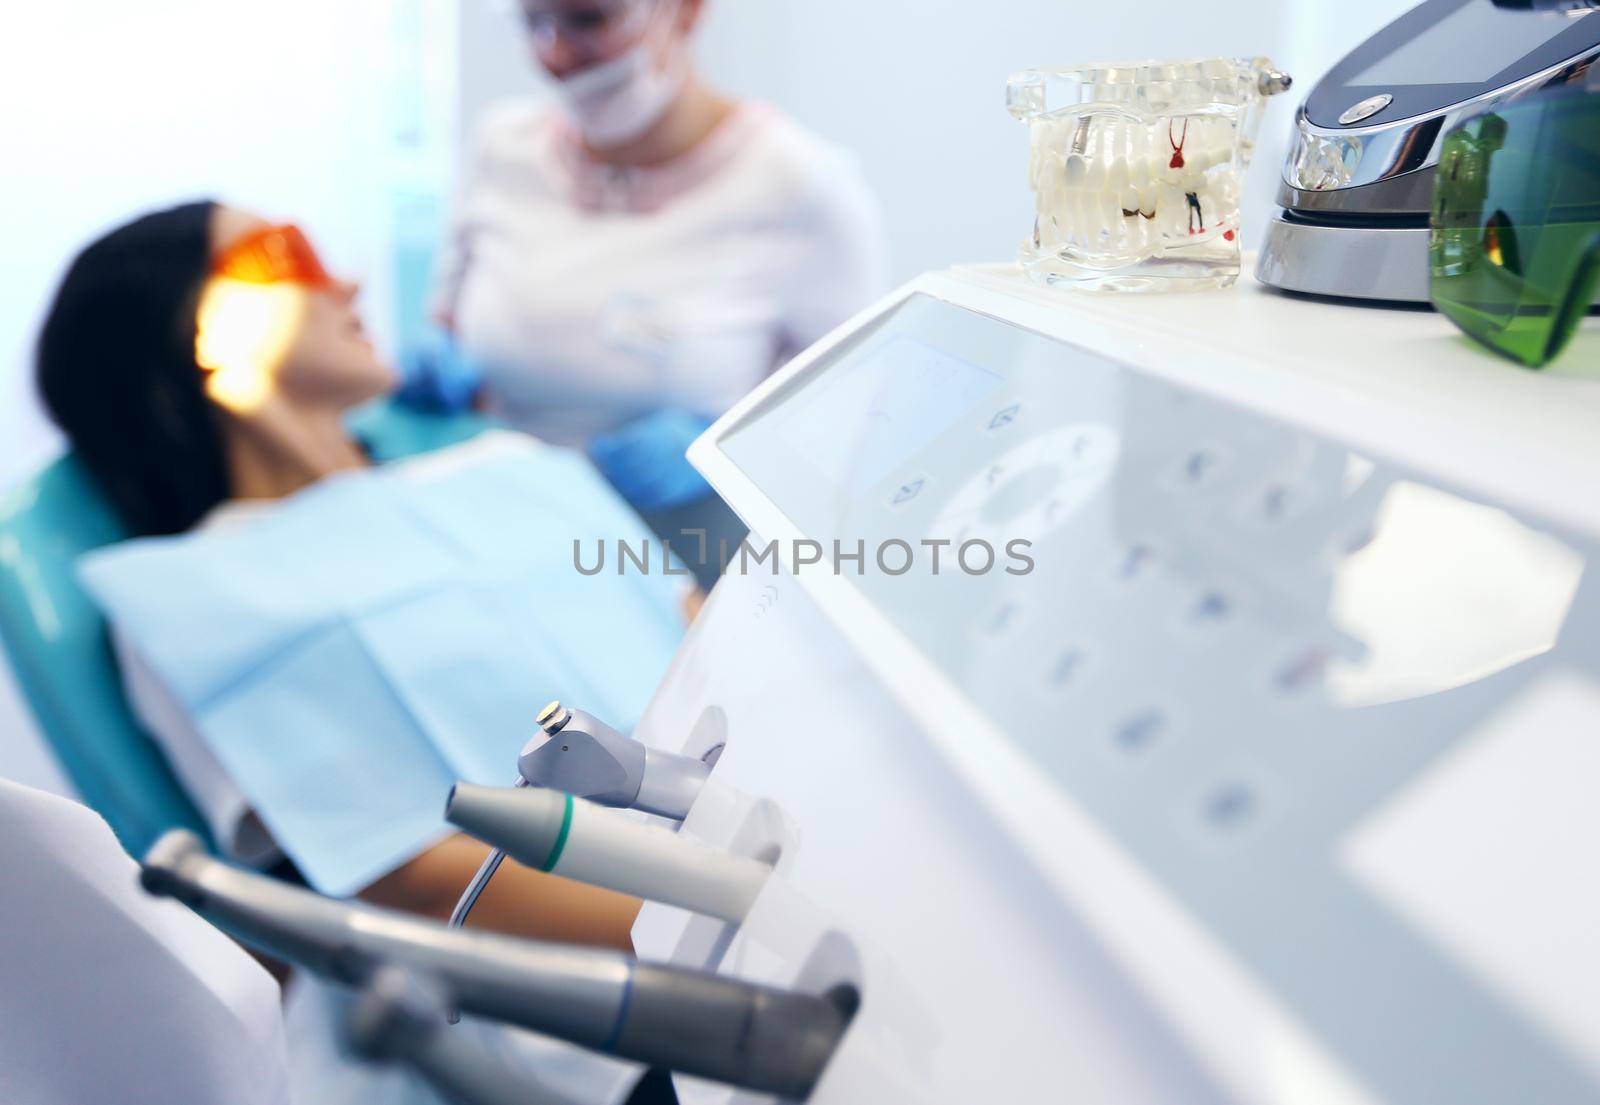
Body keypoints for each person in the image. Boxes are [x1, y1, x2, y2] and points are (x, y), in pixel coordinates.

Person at [34, 201, 650, 952]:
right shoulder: (187, 602)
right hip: (618, 990)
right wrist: (721, 918)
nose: (349, 285)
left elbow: (717, 633)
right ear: (203, 331)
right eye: (291, 257)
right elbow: (409, 875)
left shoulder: (504, 464)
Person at [426, 0, 889, 565]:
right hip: (504, 538)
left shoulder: (799, 183)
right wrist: (437, 367)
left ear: (688, 12)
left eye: (589, 19)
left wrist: (728, 448)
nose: (555, 53)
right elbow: (448, 316)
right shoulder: (500, 146)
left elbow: (855, 413)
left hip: (680, 563)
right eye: (533, 23)